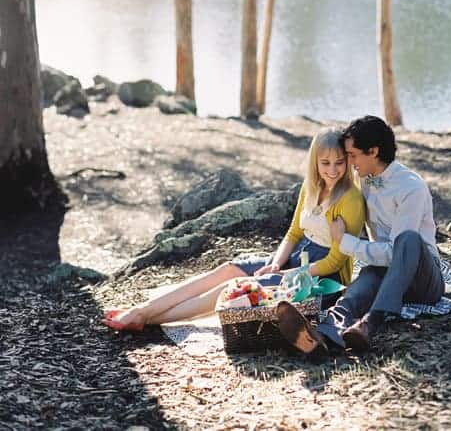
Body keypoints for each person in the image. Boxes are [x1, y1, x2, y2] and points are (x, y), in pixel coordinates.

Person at [102, 126, 366, 331]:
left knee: (236, 286)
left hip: (320, 278)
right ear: (315, 162)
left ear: (347, 161)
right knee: (227, 269)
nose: (332, 170)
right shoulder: (311, 187)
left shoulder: (351, 199)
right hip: (296, 256)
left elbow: (335, 261)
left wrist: (292, 273)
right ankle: (144, 309)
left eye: (339, 162)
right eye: (325, 163)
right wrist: (276, 264)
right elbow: (294, 233)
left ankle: (144, 318)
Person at [277, 114, 444, 356]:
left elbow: (394, 253)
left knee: (408, 239)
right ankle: (320, 337)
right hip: (383, 269)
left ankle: (370, 323)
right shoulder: (365, 178)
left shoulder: (411, 188)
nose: (349, 160)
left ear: (373, 152)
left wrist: (345, 242)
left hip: (423, 280)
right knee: (353, 294)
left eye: (352, 155)